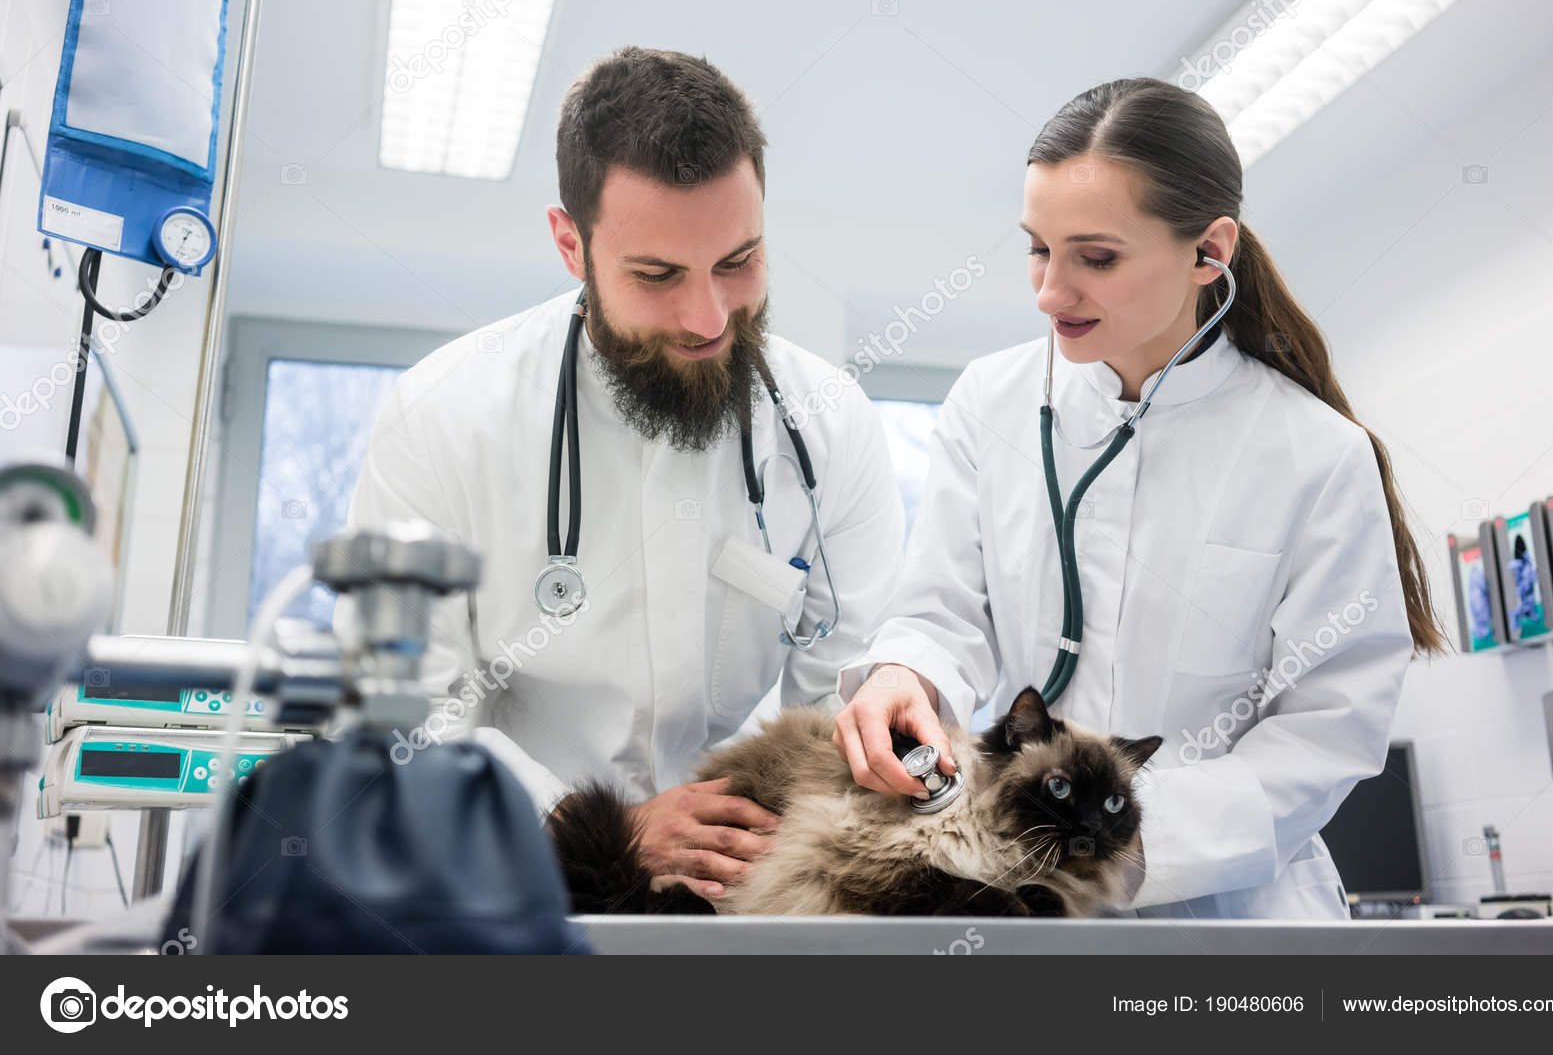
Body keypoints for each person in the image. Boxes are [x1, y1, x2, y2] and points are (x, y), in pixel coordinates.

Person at [831, 77, 1448, 918]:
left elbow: (1325, 733)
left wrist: (1124, 844)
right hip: (1026, 892)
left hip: (1235, 919)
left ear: (1209, 251)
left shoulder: (1317, 456)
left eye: (1096, 258)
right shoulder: (990, 402)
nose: (1050, 293)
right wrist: (906, 672)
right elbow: (943, 610)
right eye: (1038, 250)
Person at [345, 47, 905, 902]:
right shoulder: (444, 416)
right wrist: (597, 831)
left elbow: (850, 699)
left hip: (737, 878)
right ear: (571, 244)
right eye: (656, 275)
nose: (707, 317)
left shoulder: (829, 425)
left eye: (738, 262)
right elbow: (400, 716)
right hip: (511, 865)